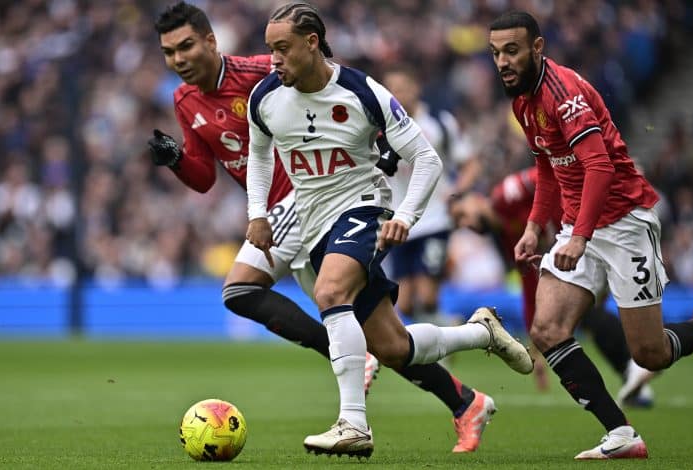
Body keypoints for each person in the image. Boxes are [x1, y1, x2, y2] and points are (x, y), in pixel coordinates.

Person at [148, 2, 509, 455]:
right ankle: (465, 399)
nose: (179, 59)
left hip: (305, 201)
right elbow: (204, 177)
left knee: (243, 291)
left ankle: (353, 406)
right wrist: (178, 161)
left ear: (210, 41)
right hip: (280, 213)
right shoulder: (185, 101)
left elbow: (337, 91)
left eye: (185, 47)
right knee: (384, 339)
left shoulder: (264, 71)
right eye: (169, 52)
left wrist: (381, 148)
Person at [246, 2, 533, 458]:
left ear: (312, 43)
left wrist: (405, 217)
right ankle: (483, 333)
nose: (273, 59)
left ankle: (353, 425)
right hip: (312, 221)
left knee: (329, 293)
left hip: (362, 209)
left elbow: (428, 159)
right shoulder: (265, 99)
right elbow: (259, 156)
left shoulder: (363, 92)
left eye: (282, 48)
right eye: (269, 49)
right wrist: (257, 212)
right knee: (393, 346)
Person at [490, 11, 693, 459]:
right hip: (577, 226)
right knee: (547, 329)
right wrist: (533, 227)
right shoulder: (522, 102)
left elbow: (600, 167)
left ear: (538, 47)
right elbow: (547, 167)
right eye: (495, 53)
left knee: (650, 354)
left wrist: (580, 238)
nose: (503, 62)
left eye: (511, 50)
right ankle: (621, 433)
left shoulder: (563, 96)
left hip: (624, 222)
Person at [449, 168, 656, 406]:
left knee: (593, 310)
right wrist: (534, 346)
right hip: (576, 244)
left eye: (462, 214)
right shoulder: (507, 237)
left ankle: (647, 358)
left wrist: (568, 216)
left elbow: (546, 176)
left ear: (476, 199)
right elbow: (529, 290)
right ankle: (635, 374)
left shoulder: (505, 194)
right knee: (587, 313)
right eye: (459, 223)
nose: (465, 224)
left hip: (588, 228)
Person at [380, 66, 478, 327]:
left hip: (435, 220)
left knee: (426, 294)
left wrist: (456, 194)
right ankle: (450, 328)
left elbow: (470, 163)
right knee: (406, 304)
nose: (397, 95)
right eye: (392, 90)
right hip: (400, 223)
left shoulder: (439, 122)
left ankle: (441, 348)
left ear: (416, 88)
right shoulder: (382, 128)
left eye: (402, 88)